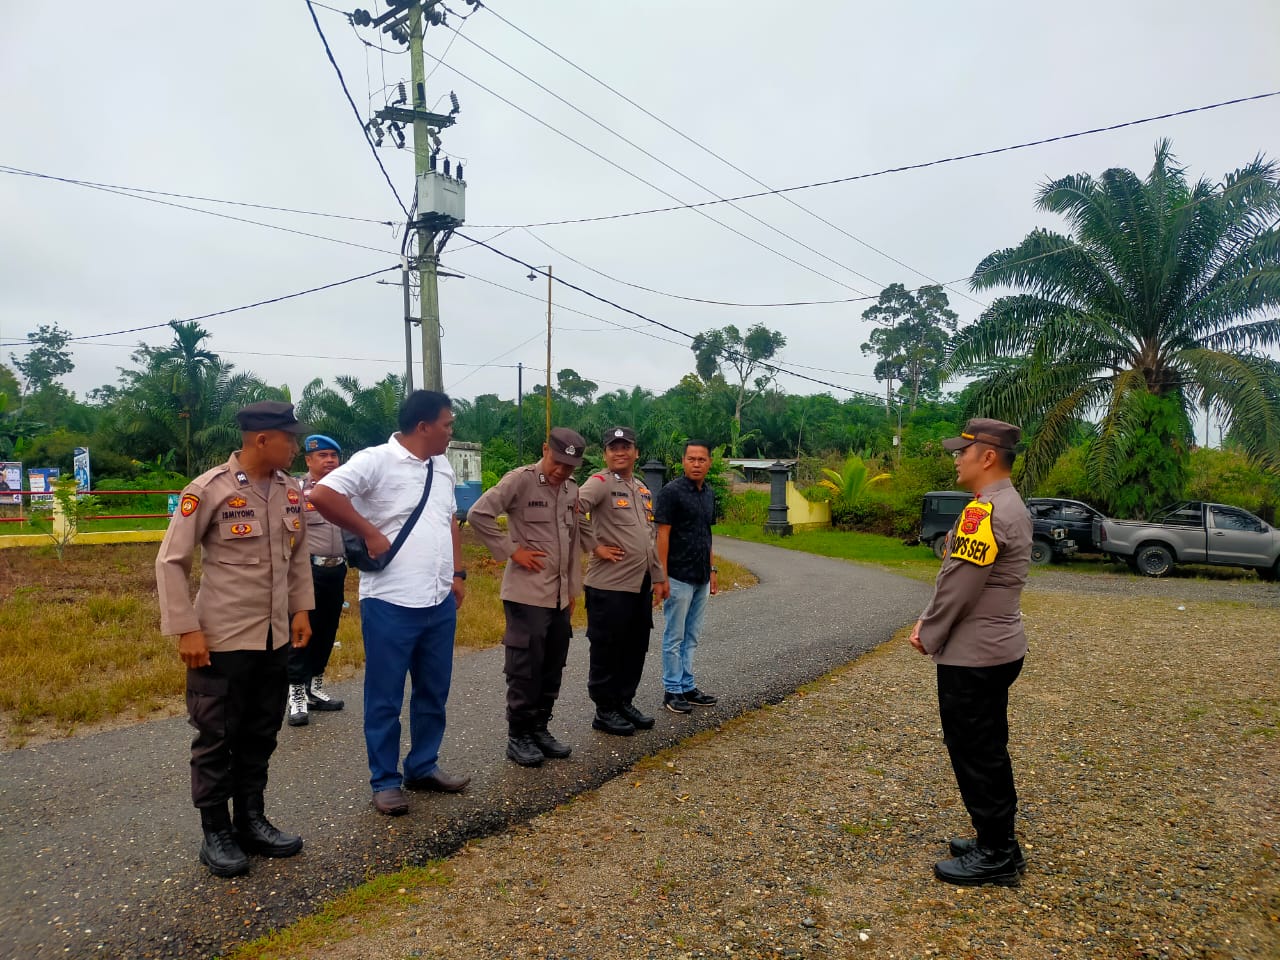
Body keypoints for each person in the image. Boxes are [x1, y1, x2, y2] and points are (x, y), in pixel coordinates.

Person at [155, 400, 315, 878]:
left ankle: (251, 820)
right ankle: (216, 833)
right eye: (290, 438)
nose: (296, 446)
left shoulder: (290, 491)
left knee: (260, 732)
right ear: (261, 440)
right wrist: (186, 627)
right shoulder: (208, 490)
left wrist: (302, 609)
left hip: (273, 637)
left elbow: (298, 553)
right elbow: (171, 562)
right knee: (216, 737)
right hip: (221, 639)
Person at [307, 390, 469, 817]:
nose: (452, 432)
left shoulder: (442, 465)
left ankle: (422, 766)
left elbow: (448, 519)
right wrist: (370, 531)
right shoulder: (376, 459)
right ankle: (385, 780)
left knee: (434, 691)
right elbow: (321, 495)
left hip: (437, 600)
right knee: (385, 696)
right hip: (390, 601)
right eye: (448, 424)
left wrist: (458, 574)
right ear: (424, 426)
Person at [908, 417, 1033, 887]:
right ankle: (996, 839)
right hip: (997, 648)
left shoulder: (984, 512)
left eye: (962, 451)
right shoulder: (1006, 503)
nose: (955, 458)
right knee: (987, 747)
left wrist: (928, 630)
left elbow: (960, 585)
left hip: (974, 655)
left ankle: (997, 853)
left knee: (976, 751)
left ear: (987, 456)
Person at [469, 427, 585, 767]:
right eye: (558, 462)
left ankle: (540, 729)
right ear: (545, 448)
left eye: (570, 466)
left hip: (559, 596)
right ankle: (518, 735)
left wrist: (572, 590)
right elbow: (479, 513)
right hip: (526, 594)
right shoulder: (520, 480)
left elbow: (574, 541)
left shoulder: (571, 490)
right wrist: (511, 551)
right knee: (525, 667)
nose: (562, 470)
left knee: (553, 665)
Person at [577, 426, 669, 735]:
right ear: (605, 454)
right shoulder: (599, 483)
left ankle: (623, 702)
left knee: (635, 646)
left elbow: (648, 537)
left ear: (636, 452)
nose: (620, 452)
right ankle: (604, 709)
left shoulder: (641, 488)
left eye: (625, 446)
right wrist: (595, 546)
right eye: (613, 447)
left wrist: (658, 577)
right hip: (608, 586)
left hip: (638, 585)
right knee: (607, 648)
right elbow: (573, 509)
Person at [286, 434, 349, 727]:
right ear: (308, 461)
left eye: (333, 456)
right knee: (302, 631)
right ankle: (296, 693)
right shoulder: (296, 491)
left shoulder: (345, 489)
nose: (329, 461)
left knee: (327, 630)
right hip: (307, 572)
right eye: (322, 456)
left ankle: (314, 687)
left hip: (336, 570)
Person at [653, 440, 719, 714]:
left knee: (691, 635)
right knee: (674, 636)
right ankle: (672, 690)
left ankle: (688, 685)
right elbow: (662, 535)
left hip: (701, 575)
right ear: (683, 461)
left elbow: (707, 535)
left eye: (701, 459)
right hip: (678, 576)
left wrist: (712, 571)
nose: (696, 463)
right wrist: (662, 576)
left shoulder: (709, 494)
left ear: (709, 463)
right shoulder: (671, 492)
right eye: (691, 459)